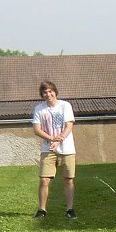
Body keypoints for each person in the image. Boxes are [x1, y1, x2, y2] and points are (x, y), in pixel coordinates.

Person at [31, 80, 77, 219]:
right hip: (48, 149)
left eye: (50, 91)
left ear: (55, 92)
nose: (48, 94)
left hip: (67, 149)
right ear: (42, 94)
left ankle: (70, 209)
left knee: (68, 180)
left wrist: (59, 140)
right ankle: (42, 210)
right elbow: (36, 129)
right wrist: (52, 140)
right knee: (44, 180)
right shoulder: (39, 109)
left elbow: (69, 125)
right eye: (45, 92)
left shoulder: (65, 106)